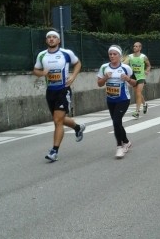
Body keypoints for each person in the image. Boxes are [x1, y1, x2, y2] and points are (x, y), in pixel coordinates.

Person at [33, 30, 86, 162]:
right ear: (46, 41)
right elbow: (35, 70)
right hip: (50, 91)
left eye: (54, 37)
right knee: (59, 119)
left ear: (59, 40)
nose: (51, 39)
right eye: (49, 37)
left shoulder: (66, 53)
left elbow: (78, 63)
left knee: (57, 121)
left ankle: (54, 151)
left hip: (63, 90)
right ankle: (78, 127)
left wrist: (73, 76)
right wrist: (42, 73)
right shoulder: (42, 55)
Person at [97, 45, 137, 158]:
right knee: (117, 122)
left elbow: (135, 83)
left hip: (123, 99)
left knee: (116, 121)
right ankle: (126, 141)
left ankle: (119, 146)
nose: (112, 56)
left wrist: (128, 79)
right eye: (110, 54)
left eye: (115, 54)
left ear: (119, 56)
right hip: (111, 100)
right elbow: (99, 84)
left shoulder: (126, 68)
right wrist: (105, 78)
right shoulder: (104, 67)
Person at [126, 41, 151, 118]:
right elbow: (124, 64)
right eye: (134, 46)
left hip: (141, 77)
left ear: (140, 48)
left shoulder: (143, 57)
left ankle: (137, 112)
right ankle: (144, 104)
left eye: (136, 46)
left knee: (138, 92)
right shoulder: (130, 57)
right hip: (133, 77)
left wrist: (147, 70)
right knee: (138, 93)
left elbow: (149, 65)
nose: (134, 47)